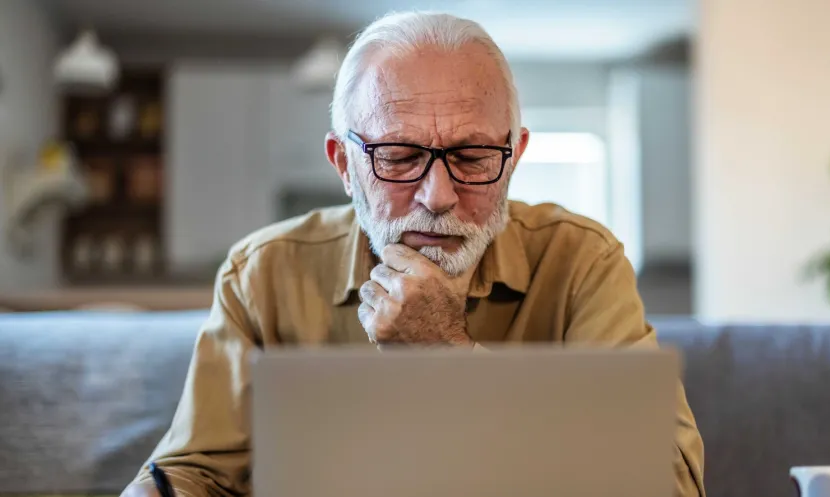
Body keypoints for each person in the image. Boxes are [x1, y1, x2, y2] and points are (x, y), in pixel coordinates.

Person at [122, 11, 705, 497]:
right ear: (344, 165)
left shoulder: (582, 262)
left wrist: (446, 354)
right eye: (398, 157)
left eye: (472, 157)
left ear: (515, 156)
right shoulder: (263, 273)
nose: (438, 196)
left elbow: (670, 484)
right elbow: (196, 474)